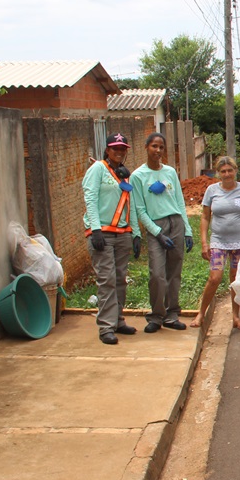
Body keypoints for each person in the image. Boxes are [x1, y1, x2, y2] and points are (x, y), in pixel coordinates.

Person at [130, 132, 193, 333]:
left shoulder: (170, 172)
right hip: (156, 227)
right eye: (154, 146)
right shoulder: (138, 176)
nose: (158, 151)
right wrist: (157, 233)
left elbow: (180, 202)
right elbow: (140, 209)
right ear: (146, 147)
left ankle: (172, 314)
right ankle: (156, 316)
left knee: (174, 272)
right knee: (157, 274)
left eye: (161, 147)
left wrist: (187, 230)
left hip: (175, 223)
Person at [83, 133, 141, 345]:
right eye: (115, 148)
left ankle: (117, 320)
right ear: (107, 150)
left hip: (122, 234)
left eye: (123, 148)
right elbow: (90, 198)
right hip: (102, 234)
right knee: (106, 280)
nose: (119, 152)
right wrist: (96, 229)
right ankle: (106, 327)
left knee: (119, 279)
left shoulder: (124, 174)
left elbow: (130, 203)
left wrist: (135, 232)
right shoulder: (97, 169)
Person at [192, 156, 240, 330]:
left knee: (236, 279)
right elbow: (205, 217)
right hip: (218, 241)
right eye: (223, 171)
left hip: (239, 242)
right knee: (215, 278)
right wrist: (204, 243)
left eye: (230, 170)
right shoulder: (212, 191)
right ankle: (201, 313)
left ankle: (235, 316)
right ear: (218, 173)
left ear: (235, 171)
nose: (227, 174)